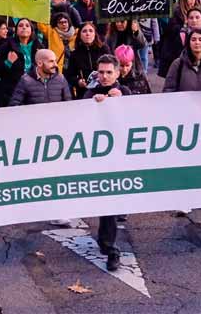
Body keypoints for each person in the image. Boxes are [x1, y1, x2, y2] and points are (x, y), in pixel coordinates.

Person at [83, 55, 131, 272]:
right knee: (104, 201)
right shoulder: (91, 93)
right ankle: (107, 244)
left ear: (117, 73)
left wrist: (120, 101)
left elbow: (140, 116)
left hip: (118, 155)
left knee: (110, 202)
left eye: (109, 72)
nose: (104, 76)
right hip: (96, 157)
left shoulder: (125, 92)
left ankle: (109, 247)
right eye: (101, 72)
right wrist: (94, 104)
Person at [0, 18, 41, 107]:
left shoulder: (38, 47)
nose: (24, 28)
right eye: (20, 25)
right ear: (16, 30)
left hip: (33, 94)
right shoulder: (7, 46)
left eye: (27, 26)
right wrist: (8, 62)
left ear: (31, 30)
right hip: (11, 94)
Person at [64, 22, 110, 99]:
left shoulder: (104, 49)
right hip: (84, 93)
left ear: (95, 34)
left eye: (91, 31)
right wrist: (78, 82)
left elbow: (112, 69)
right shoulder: (75, 54)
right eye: (84, 31)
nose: (87, 33)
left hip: (104, 91)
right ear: (80, 35)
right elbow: (69, 76)